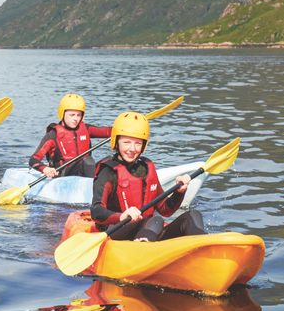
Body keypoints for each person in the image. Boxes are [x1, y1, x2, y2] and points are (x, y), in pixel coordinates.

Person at [90, 111, 206, 242]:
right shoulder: (108, 171)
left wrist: (179, 192)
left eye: (138, 143)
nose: (132, 149)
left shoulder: (146, 168)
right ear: (116, 142)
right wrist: (121, 216)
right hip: (117, 232)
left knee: (193, 216)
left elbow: (164, 209)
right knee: (155, 220)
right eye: (126, 142)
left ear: (143, 145)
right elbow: (96, 211)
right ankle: (143, 249)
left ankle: (205, 248)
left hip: (149, 229)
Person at [29, 94, 111, 178]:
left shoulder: (86, 129)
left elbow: (108, 132)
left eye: (78, 115)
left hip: (85, 171)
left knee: (110, 161)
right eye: (72, 115)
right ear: (62, 114)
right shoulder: (53, 135)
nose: (76, 118)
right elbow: (33, 159)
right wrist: (45, 169)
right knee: (87, 160)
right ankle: (93, 187)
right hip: (63, 175)